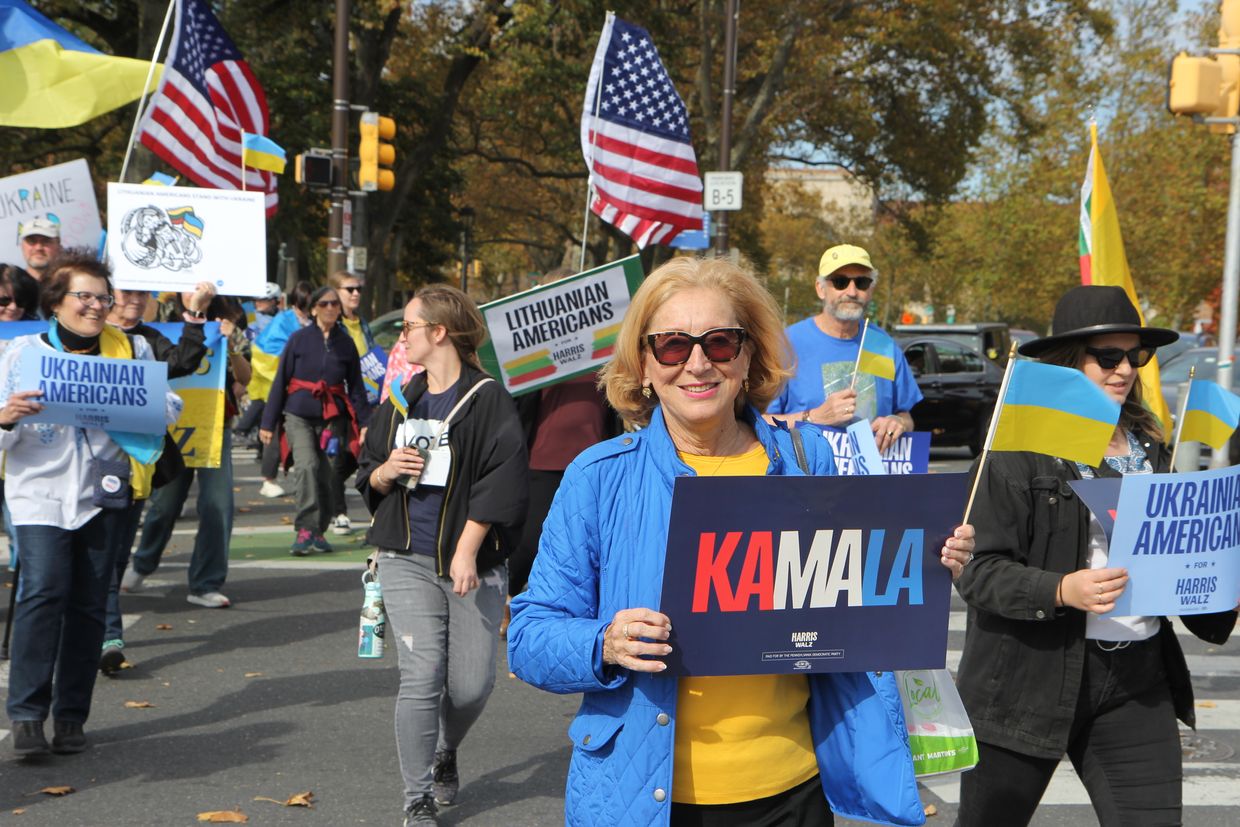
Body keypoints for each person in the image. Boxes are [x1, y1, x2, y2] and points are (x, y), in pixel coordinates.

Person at [507, 257, 974, 827]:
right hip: (646, 798)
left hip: (792, 793)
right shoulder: (600, 477)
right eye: (673, 346)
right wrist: (604, 643)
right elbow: (530, 635)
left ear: (748, 355)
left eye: (721, 343)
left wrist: (925, 564)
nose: (698, 364)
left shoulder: (811, 460)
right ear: (645, 363)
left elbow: (857, 597)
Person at [953, 285, 1238, 827]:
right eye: (1108, 356)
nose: (1125, 369)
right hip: (1024, 681)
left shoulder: (1153, 448)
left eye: (1136, 356)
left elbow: (1176, 568)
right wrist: (1063, 590)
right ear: (1067, 363)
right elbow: (978, 572)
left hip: (1136, 681)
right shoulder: (1016, 448)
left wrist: (1221, 587)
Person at [356, 284, 527, 826]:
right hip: (405, 557)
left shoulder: (487, 397)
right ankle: (417, 797)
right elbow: (369, 468)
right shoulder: (402, 398)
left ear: (439, 332)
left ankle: (445, 748)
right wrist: (385, 472)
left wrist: (467, 550)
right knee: (421, 673)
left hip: (470, 562)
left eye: (408, 327)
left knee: (472, 685)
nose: (402, 337)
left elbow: (503, 480)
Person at [0, 250, 182, 757]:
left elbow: (168, 407)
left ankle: (72, 715)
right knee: (42, 594)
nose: (98, 306)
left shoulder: (131, 350)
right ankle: (28, 716)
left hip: (105, 493)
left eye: (104, 297)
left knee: (87, 605)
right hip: (39, 493)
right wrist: (7, 416)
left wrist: (139, 405)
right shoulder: (20, 356)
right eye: (85, 296)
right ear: (56, 302)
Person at [99, 282, 214, 671]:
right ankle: (102, 631)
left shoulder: (147, 341)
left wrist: (195, 315)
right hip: (85, 462)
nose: (133, 300)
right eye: (126, 292)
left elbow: (183, 362)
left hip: (133, 463)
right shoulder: (87, 335)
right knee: (89, 553)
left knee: (115, 554)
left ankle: (102, 628)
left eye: (142, 295)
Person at [122, 292, 251, 609]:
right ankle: (143, 563)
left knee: (218, 504)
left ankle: (206, 582)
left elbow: (245, 377)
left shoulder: (228, 317)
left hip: (212, 424)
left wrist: (231, 344)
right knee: (164, 503)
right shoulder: (160, 310)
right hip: (167, 423)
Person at [507, 269, 618, 636]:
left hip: (592, 460)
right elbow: (517, 402)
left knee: (590, 543)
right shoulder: (535, 354)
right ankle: (506, 603)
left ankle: (584, 616)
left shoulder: (605, 347)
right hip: (541, 460)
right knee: (527, 542)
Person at [767, 244, 921, 454]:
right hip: (808, 482)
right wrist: (813, 417)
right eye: (840, 282)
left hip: (872, 481)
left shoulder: (881, 344)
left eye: (862, 282)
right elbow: (760, 423)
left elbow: (905, 415)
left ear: (871, 290)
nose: (852, 291)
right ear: (821, 289)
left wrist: (898, 423)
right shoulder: (787, 344)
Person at [261, 285, 370, 555]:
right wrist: (267, 422)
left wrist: (365, 422)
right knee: (307, 465)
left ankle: (319, 530)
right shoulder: (298, 339)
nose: (330, 308)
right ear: (313, 309)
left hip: (332, 418)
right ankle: (305, 528)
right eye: (324, 304)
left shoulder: (346, 344)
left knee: (327, 475)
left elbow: (356, 387)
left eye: (334, 304)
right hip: (297, 415)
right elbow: (280, 381)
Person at [252, 280, 313, 498]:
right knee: (275, 432)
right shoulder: (283, 321)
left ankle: (305, 477)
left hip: (309, 390)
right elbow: (267, 350)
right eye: (300, 307)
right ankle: (268, 478)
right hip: (283, 385)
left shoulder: (315, 320)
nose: (304, 312)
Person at [327, 271, 377, 535]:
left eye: (358, 288)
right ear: (336, 293)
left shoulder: (362, 323)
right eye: (349, 289)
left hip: (365, 400)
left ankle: (376, 516)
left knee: (369, 457)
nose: (356, 293)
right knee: (342, 458)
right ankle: (338, 513)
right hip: (341, 403)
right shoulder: (333, 327)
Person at [17, 216, 62, 282]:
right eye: (31, 241)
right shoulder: (12, 288)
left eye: (46, 241)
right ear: (22, 246)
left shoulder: (71, 285)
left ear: (59, 247)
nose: (38, 248)